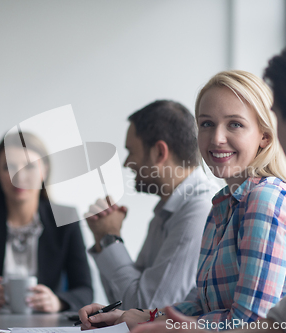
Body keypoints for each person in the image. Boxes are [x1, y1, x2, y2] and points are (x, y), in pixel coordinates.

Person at [131, 37, 286, 333]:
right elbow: (281, 323)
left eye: (280, 116)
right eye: (206, 124)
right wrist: (148, 319)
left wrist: (180, 328)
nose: (278, 134)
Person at [79, 70, 286, 330]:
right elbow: (200, 306)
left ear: (265, 136)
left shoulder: (265, 199)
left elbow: (250, 323)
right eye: (206, 124)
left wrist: (164, 325)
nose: (216, 138)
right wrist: (133, 315)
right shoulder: (223, 204)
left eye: (234, 124)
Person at [85, 100, 222, 309]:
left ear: (159, 152)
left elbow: (147, 310)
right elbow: (120, 303)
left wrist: (110, 238)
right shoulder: (166, 212)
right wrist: (102, 239)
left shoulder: (199, 211)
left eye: (131, 151)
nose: (126, 162)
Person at [0, 132, 93, 312]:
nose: (19, 177)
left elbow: (85, 291)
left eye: (29, 167)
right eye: (8, 167)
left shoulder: (66, 218)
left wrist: (57, 302)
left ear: (44, 170)